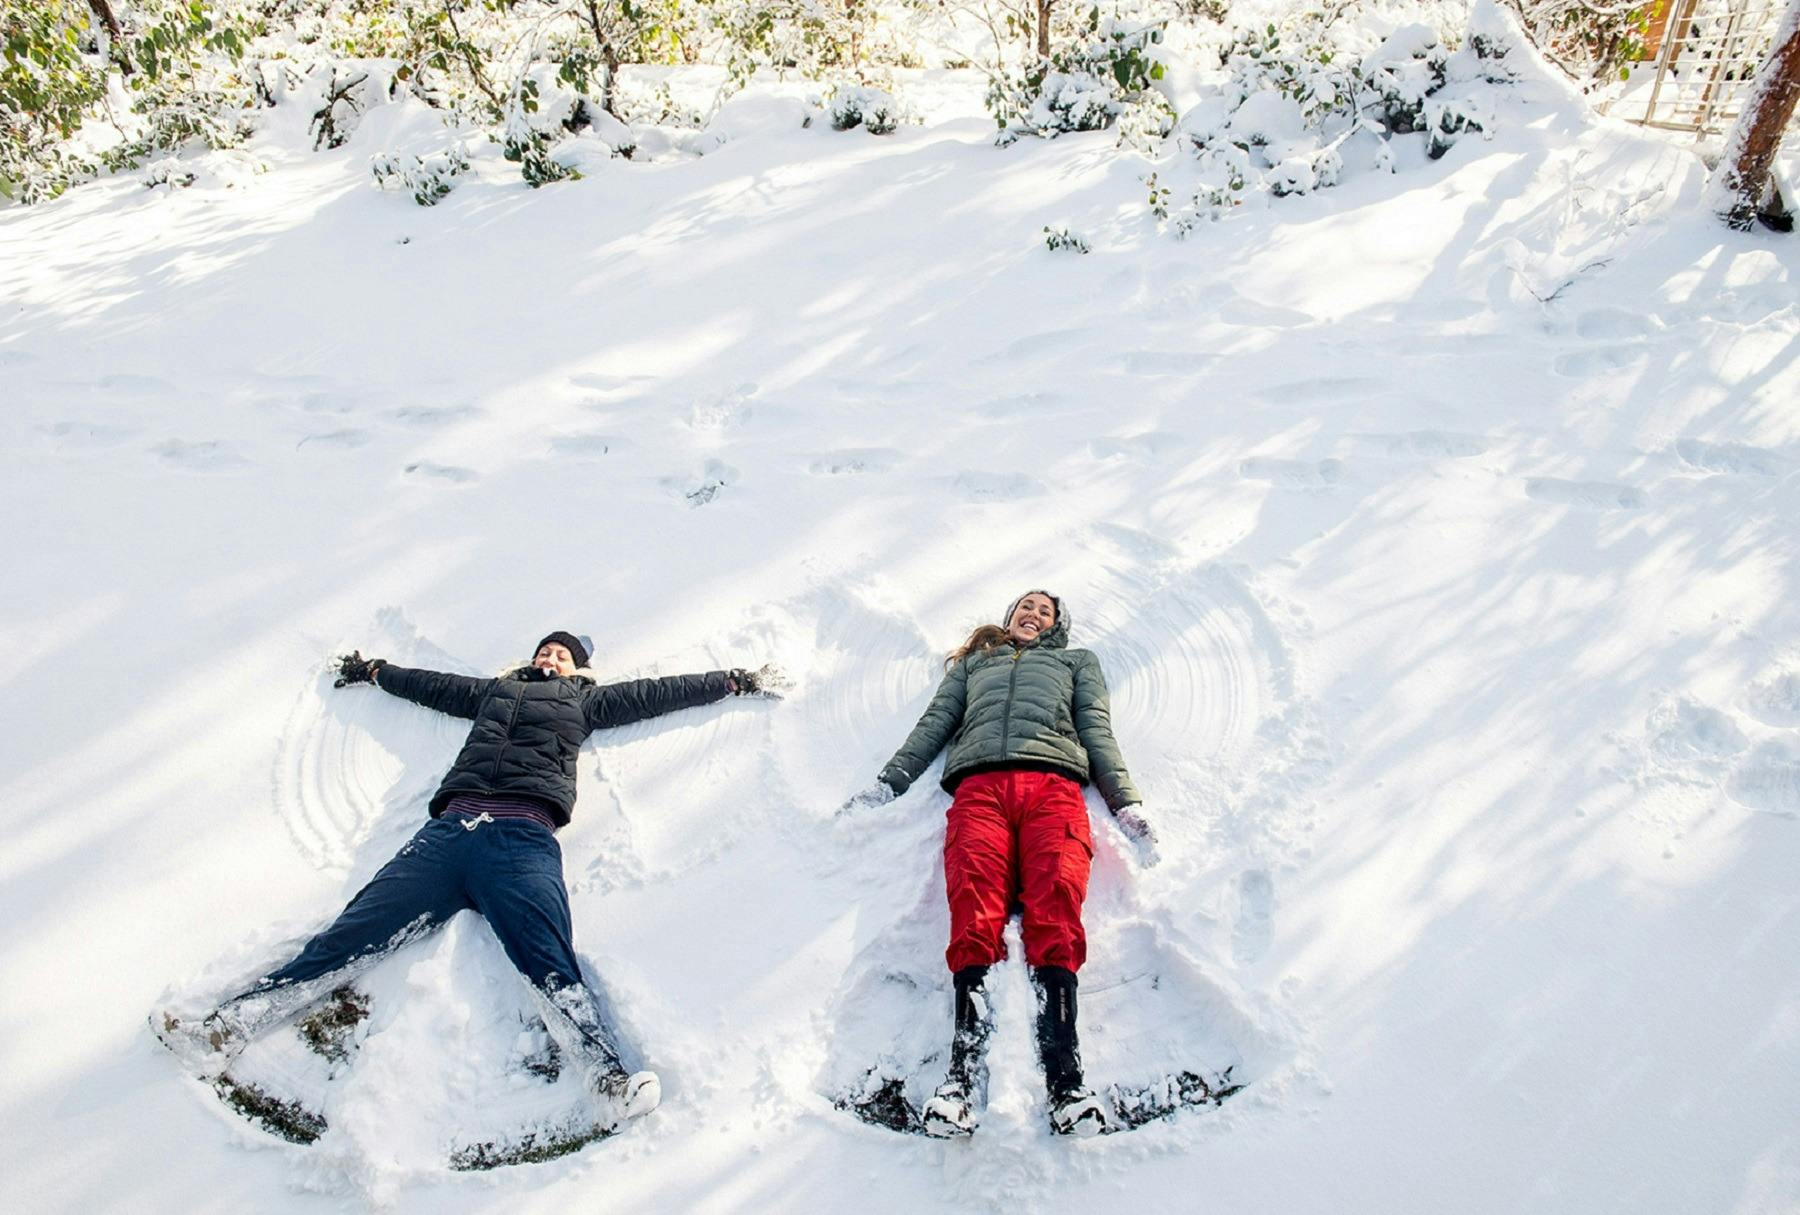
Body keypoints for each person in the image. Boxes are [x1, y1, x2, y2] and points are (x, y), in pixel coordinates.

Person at [155, 630, 785, 1130]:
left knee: (548, 957)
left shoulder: (587, 702)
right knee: (351, 934)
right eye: (544, 649)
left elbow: (659, 691)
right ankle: (227, 1027)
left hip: (521, 838)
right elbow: (431, 685)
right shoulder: (492, 692)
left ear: (579, 671)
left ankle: (608, 1080)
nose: (550, 657)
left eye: (562, 654)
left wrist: (733, 681)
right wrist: (375, 671)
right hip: (448, 835)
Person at [843, 591, 1156, 1138]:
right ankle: (959, 1082)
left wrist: (1125, 803)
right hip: (980, 788)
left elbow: (1097, 729)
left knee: (1057, 903)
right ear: (1009, 615)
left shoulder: (1076, 663)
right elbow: (935, 723)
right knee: (972, 904)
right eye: (1025, 607)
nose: (1033, 615)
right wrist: (887, 784)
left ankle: (1067, 1084)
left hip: (1054, 788)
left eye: (1045, 611)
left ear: (1057, 626)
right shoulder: (976, 662)